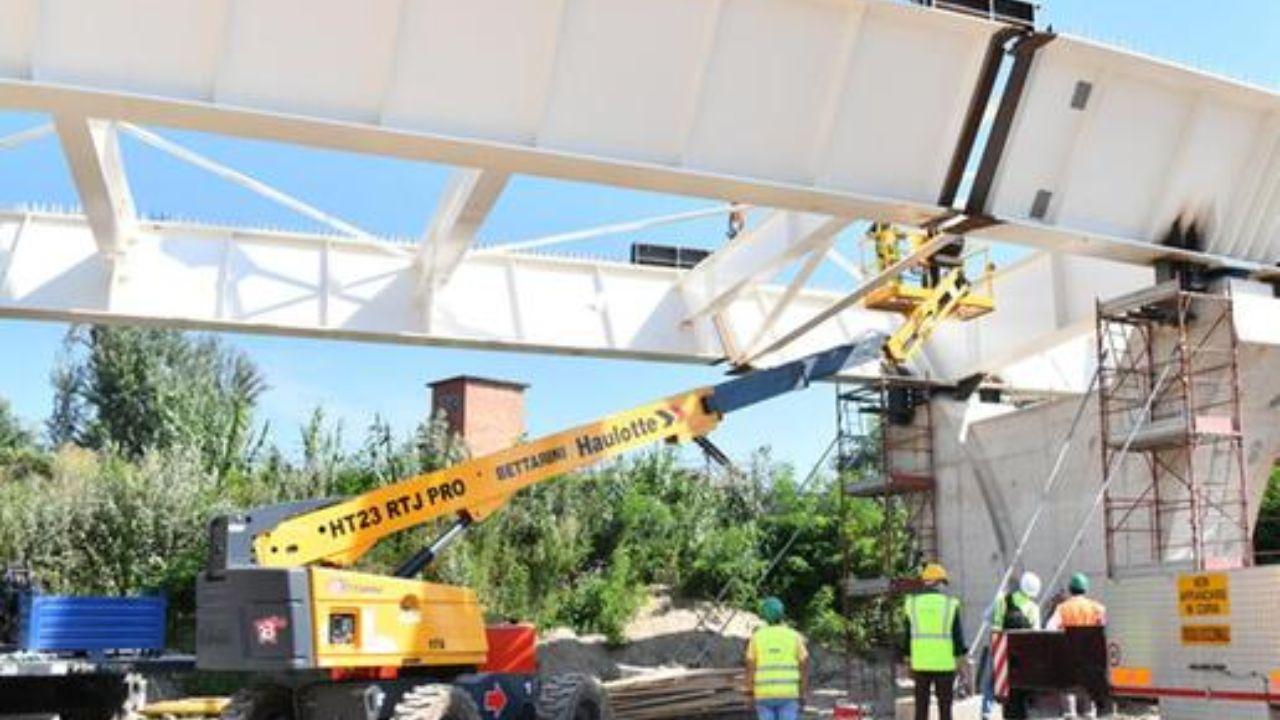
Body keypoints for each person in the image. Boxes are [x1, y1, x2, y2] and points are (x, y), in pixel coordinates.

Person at [904, 563, 967, 720]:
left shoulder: (911, 604)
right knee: (945, 709)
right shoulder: (950, 604)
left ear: (925, 581)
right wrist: (961, 662)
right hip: (945, 665)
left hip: (920, 664)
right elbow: (957, 637)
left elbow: (907, 637)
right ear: (938, 582)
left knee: (921, 709)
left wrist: (908, 661)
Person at [1047, 573, 1108, 719]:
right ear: (1085, 589)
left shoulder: (1062, 608)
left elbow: (1049, 629)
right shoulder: (1098, 608)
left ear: (1070, 589)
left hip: (1068, 661)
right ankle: (1088, 713)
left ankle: (1070, 713)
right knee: (1089, 695)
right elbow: (1106, 630)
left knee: (1067, 689)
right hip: (1091, 661)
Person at [745, 596, 808, 720]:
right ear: (782, 614)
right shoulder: (794, 636)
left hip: (764, 694)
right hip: (788, 693)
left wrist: (749, 692)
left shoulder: (757, 637)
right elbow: (804, 662)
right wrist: (803, 691)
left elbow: (750, 667)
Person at [990, 571, 1042, 720]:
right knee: (1025, 698)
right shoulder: (1033, 608)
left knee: (1008, 701)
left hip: (1005, 658)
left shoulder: (1003, 602)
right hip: (1025, 661)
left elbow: (996, 630)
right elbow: (1036, 637)